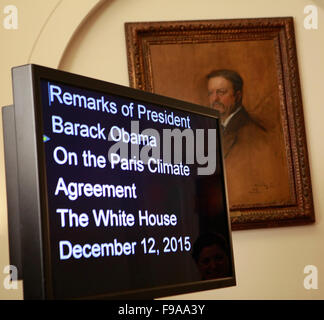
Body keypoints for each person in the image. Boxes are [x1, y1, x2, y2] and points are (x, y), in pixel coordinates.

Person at [206, 69, 291, 206]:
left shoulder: (255, 135)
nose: (214, 99)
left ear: (238, 96)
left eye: (221, 92)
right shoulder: (210, 131)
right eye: (211, 93)